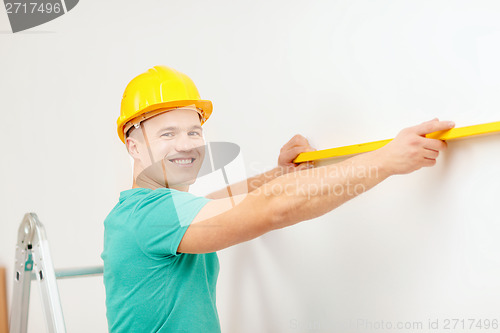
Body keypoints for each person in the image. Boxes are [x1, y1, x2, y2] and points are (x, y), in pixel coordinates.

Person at [101, 65, 454, 333]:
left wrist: (280, 174)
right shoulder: (149, 215)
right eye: (168, 133)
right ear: (133, 145)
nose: (187, 144)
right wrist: (385, 160)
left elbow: (223, 200)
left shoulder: (150, 212)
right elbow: (270, 208)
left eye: (194, 131)